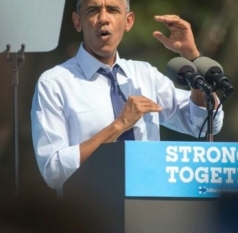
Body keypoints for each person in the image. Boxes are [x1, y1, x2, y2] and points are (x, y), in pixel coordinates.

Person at [31, 0, 224, 189]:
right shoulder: (54, 83)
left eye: (113, 10)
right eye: (93, 10)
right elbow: (53, 170)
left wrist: (191, 57)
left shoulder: (145, 74)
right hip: (88, 214)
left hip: (149, 206)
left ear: (128, 21)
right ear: (77, 21)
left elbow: (204, 123)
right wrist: (119, 125)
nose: (103, 18)